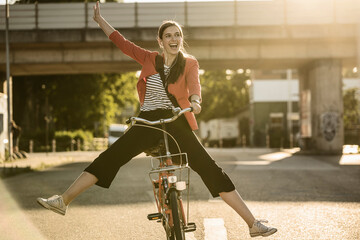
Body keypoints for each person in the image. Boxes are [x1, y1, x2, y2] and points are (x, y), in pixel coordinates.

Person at [37, 1, 277, 238]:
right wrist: (100, 21)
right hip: (146, 121)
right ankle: (63, 200)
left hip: (176, 120)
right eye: (169, 35)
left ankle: (252, 223)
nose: (174, 39)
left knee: (210, 168)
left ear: (181, 39)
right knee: (109, 158)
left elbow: (195, 87)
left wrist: (196, 102)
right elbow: (122, 43)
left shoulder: (190, 63)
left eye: (178, 35)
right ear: (160, 41)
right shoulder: (150, 58)